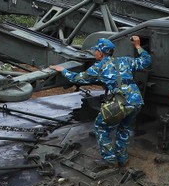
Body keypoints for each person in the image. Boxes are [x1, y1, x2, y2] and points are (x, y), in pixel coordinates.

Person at [51, 36, 151, 167]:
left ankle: (110, 160)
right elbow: (146, 61)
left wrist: (62, 70)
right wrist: (138, 46)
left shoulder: (98, 67)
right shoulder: (124, 60)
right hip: (137, 101)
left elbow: (78, 78)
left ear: (101, 52)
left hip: (121, 102)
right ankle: (122, 158)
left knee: (100, 127)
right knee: (124, 128)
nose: (94, 53)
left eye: (95, 50)